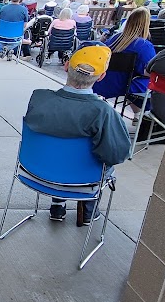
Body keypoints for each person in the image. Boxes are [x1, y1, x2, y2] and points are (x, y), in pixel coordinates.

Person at [24, 44, 130, 225]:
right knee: (101, 162)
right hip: (82, 182)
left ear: (66, 66)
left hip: (35, 174)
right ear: (101, 76)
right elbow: (116, 154)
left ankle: (57, 205)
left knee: (58, 152)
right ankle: (88, 211)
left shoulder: (39, 98)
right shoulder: (102, 112)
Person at [92, 7, 156, 120]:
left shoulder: (114, 38)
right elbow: (149, 70)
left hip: (103, 81)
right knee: (151, 81)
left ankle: (137, 114)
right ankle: (141, 115)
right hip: (126, 86)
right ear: (146, 24)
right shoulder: (144, 45)